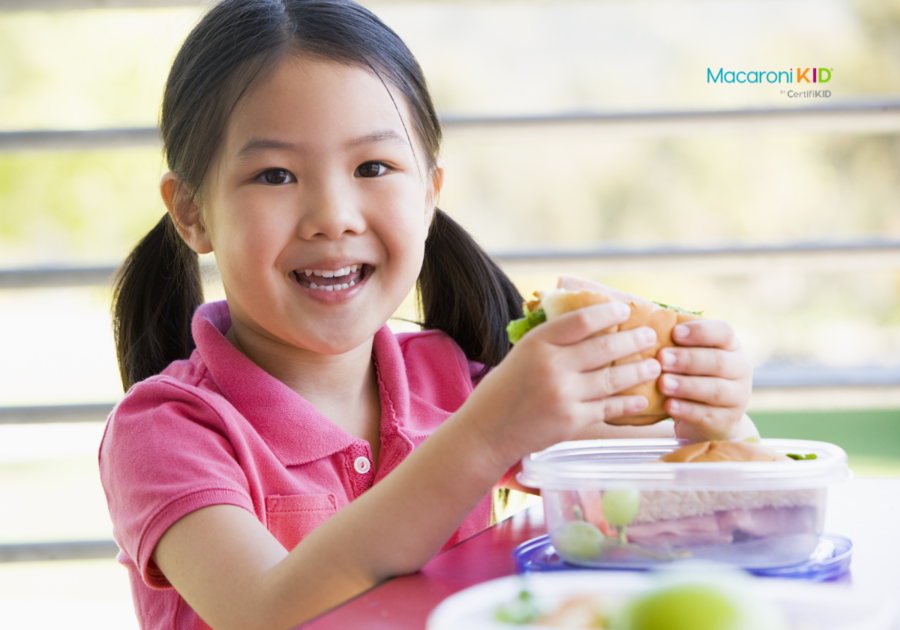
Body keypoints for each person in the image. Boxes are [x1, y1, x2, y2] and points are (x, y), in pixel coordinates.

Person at [99, 1, 756, 628]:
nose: (333, 216)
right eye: (275, 175)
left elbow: (703, 506)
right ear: (190, 212)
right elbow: (267, 610)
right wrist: (485, 434)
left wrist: (712, 421)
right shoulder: (165, 432)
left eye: (373, 166)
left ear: (428, 196)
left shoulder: (452, 383)